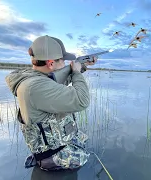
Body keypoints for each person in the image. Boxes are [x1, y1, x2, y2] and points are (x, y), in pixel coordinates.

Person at [5, 35, 97, 172]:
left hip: (50, 147)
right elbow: (82, 101)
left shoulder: (34, 78)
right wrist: (77, 73)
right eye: (62, 61)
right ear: (51, 63)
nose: (65, 64)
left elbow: (56, 82)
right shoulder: (36, 87)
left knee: (81, 138)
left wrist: (82, 65)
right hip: (51, 156)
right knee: (84, 158)